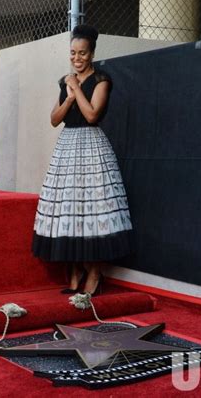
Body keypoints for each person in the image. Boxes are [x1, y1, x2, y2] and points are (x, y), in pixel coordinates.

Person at [32, 24, 132, 296]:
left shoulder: (102, 80)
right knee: (70, 210)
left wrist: (75, 87)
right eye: (73, 53)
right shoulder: (65, 81)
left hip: (91, 145)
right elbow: (54, 119)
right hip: (67, 146)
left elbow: (91, 115)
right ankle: (75, 269)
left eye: (82, 53)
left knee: (93, 209)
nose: (77, 58)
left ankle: (95, 272)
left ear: (92, 53)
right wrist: (68, 94)